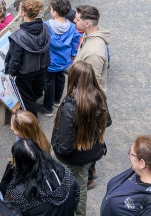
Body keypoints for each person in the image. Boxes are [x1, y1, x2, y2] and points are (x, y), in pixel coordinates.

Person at [52, 62, 111, 216]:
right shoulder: (100, 97)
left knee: (62, 188)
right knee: (81, 187)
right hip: (89, 155)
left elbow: (64, 146)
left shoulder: (70, 107)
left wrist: (54, 145)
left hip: (69, 159)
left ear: (74, 79)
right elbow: (108, 121)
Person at [0, 137, 78, 216]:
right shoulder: (63, 171)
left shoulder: (21, 194)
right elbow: (76, 196)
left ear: (20, 163)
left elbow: (11, 211)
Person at [5, 0, 51, 115]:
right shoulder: (45, 27)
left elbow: (16, 59)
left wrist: (11, 72)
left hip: (24, 73)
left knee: (25, 100)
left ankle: (31, 123)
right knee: (35, 91)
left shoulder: (19, 36)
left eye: (20, 8)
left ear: (24, 13)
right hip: (41, 66)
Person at [43, 0, 81, 116]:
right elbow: (75, 41)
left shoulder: (47, 26)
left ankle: (48, 108)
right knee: (60, 78)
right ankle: (57, 100)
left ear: (54, 12)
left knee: (49, 82)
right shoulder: (72, 27)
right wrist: (73, 54)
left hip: (50, 60)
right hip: (64, 59)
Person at [73, 5, 110, 91]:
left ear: (87, 24)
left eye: (77, 20)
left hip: (84, 99)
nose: (74, 20)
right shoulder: (88, 34)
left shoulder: (95, 53)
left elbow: (91, 85)